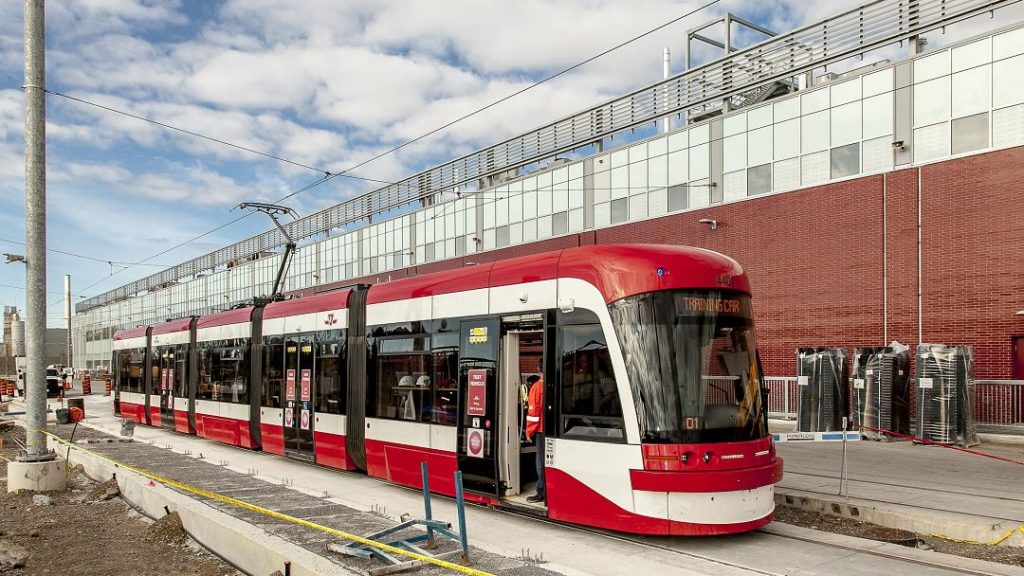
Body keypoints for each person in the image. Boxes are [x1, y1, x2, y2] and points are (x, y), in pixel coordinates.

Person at [525, 374, 545, 503]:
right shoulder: (554, 382)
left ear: (539, 370)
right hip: (551, 430)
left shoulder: (537, 387)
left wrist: (528, 432)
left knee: (540, 463)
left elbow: (533, 412)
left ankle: (541, 491)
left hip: (540, 430)